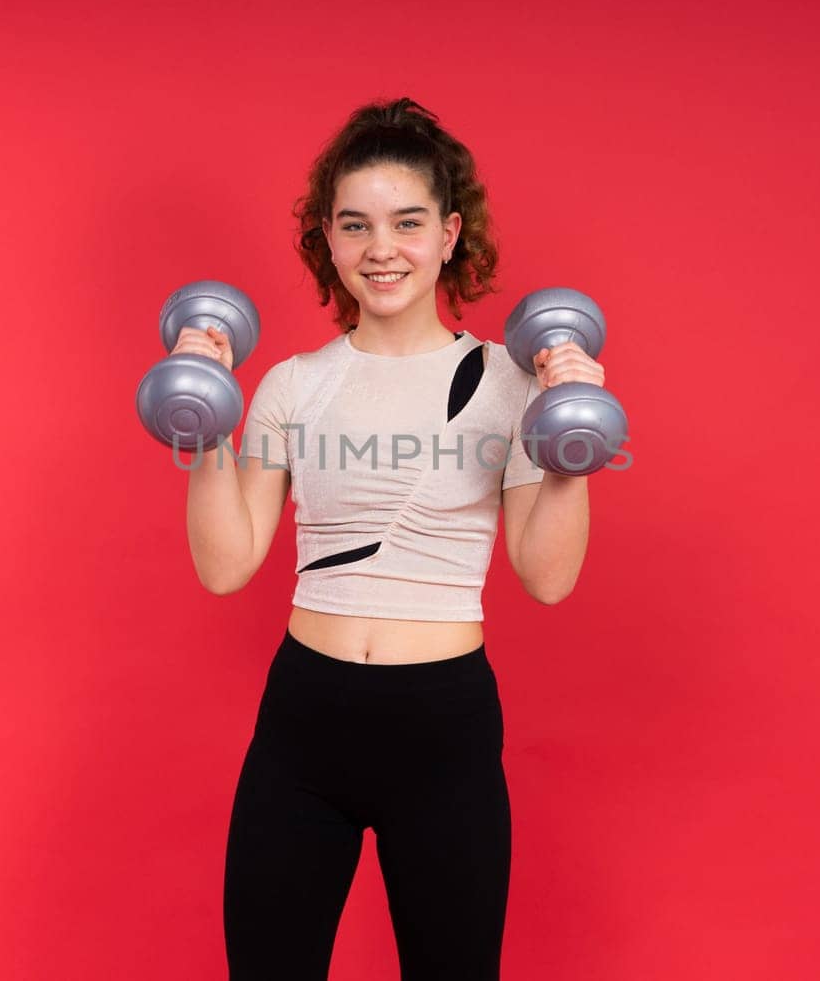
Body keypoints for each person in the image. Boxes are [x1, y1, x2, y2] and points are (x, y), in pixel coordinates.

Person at [171, 97, 604, 980]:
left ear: (449, 234)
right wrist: (203, 411)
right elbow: (226, 564)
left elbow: (547, 578)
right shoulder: (294, 386)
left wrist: (573, 441)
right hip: (304, 722)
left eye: (407, 223)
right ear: (327, 240)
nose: (382, 248)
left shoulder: (510, 385)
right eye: (356, 224)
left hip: (442, 727)